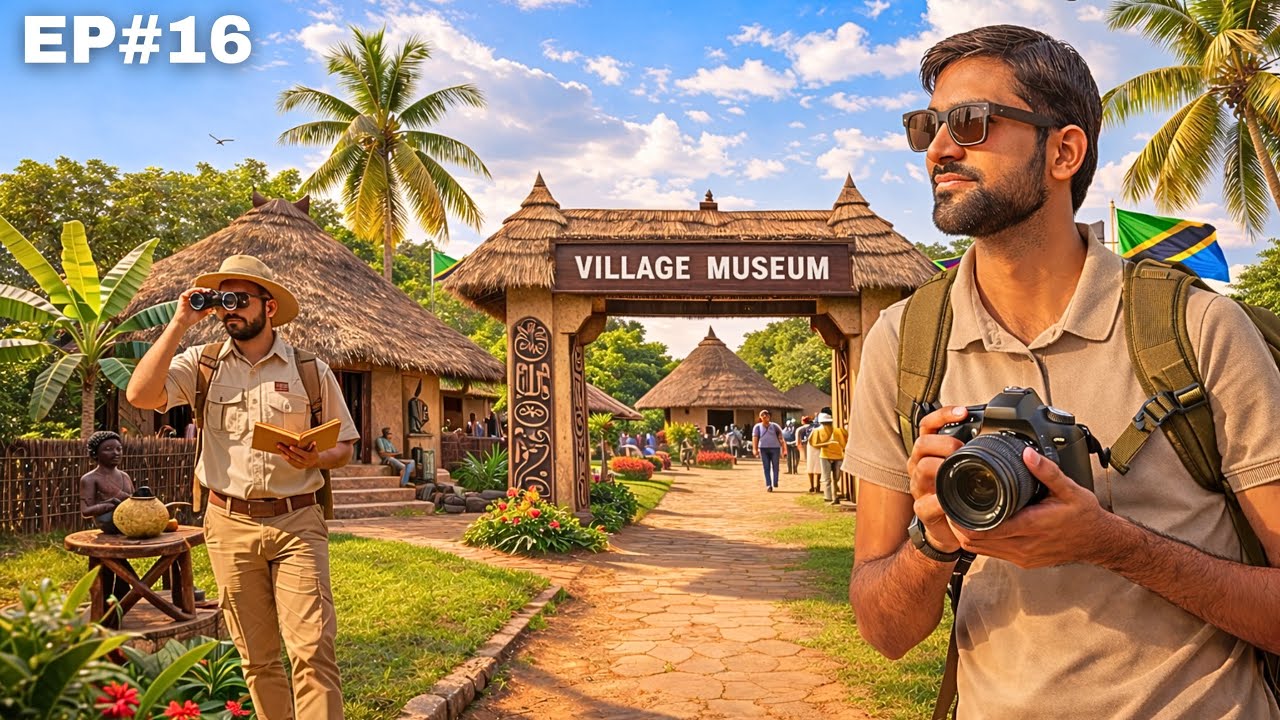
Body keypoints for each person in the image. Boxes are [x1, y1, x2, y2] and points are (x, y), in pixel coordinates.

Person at [844, 25, 1280, 719]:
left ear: (1064, 150)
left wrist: (1114, 546)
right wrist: (933, 538)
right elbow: (884, 631)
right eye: (927, 125)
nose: (938, 148)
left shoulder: (1197, 330)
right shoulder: (904, 344)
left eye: (972, 122)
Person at [126, 254, 358, 720]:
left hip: (297, 523)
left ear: (268, 307)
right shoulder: (202, 364)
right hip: (228, 524)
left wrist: (316, 456)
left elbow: (345, 446)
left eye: (240, 300)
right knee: (257, 658)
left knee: (312, 649)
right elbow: (141, 395)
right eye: (222, 301)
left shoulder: (310, 369)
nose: (230, 310)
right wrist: (179, 322)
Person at [79, 430, 137, 620]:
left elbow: (134, 503)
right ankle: (107, 611)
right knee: (115, 572)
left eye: (119, 449)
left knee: (118, 574)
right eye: (109, 449)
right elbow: (86, 510)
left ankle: (114, 611)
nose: (116, 453)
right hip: (108, 529)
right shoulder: (90, 479)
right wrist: (109, 504)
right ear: (96, 453)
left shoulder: (125, 476)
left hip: (128, 530)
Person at [808, 413, 848, 505]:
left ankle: (835, 497)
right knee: (827, 478)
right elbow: (813, 443)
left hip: (838, 456)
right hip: (825, 456)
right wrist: (825, 444)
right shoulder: (817, 431)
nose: (827, 425)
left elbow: (846, 440)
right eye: (825, 423)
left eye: (828, 423)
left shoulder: (839, 431)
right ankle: (828, 497)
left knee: (836, 478)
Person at [751, 410, 786, 492]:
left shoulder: (775, 426)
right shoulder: (757, 427)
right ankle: (768, 485)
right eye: (762, 415)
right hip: (763, 449)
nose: (765, 416)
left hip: (775, 448)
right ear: (760, 417)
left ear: (769, 416)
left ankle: (775, 481)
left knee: (775, 466)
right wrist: (755, 449)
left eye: (766, 415)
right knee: (766, 467)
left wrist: (784, 449)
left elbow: (781, 438)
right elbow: (755, 438)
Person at [795, 415, 818, 493]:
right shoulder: (817, 426)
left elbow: (798, 442)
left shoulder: (800, 429)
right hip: (819, 447)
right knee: (818, 467)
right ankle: (818, 486)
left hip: (809, 448)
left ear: (803, 421)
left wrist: (799, 447)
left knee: (810, 468)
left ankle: (811, 486)